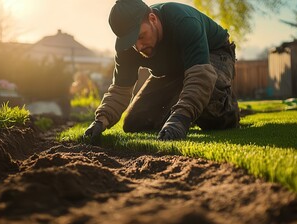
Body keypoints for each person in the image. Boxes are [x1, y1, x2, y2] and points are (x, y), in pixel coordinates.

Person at [84, 0, 240, 143]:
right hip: (173, 71)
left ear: (153, 18)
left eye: (141, 36)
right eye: (132, 42)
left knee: (212, 114)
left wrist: (181, 118)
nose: (138, 47)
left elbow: (200, 75)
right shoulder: (128, 47)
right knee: (135, 123)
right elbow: (119, 90)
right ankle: (188, 102)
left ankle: (224, 103)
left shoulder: (184, 22)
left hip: (213, 55)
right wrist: (100, 120)